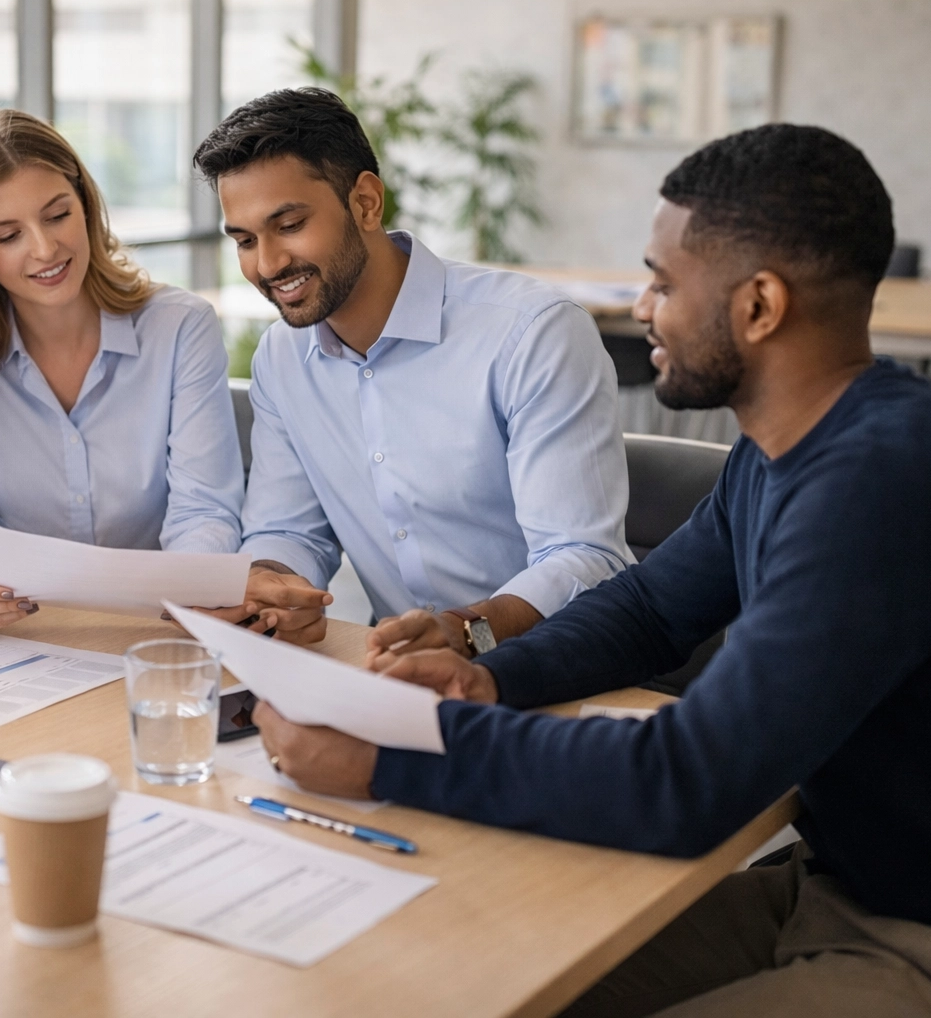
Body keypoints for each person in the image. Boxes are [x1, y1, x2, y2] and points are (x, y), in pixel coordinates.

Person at [254, 124, 931, 1016]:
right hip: (829, 890)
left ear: (758, 306)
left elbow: (688, 778)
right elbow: (647, 611)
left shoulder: (887, 479)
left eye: (665, 282)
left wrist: (396, 760)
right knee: (467, 979)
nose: (643, 308)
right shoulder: (783, 448)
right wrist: (485, 676)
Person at [192, 88, 631, 646]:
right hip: (395, 670)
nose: (268, 264)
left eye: (290, 225)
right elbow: (288, 529)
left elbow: (584, 558)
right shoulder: (282, 358)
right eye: (246, 240)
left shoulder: (531, 332)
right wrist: (272, 584)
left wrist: (464, 634)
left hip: (549, 668)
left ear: (367, 203)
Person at [0, 110, 245, 634]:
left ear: (85, 205)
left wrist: (192, 590)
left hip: (161, 628)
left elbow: (204, 512)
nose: (45, 249)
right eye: (8, 234)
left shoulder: (180, 328)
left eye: (57, 215)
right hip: (25, 635)